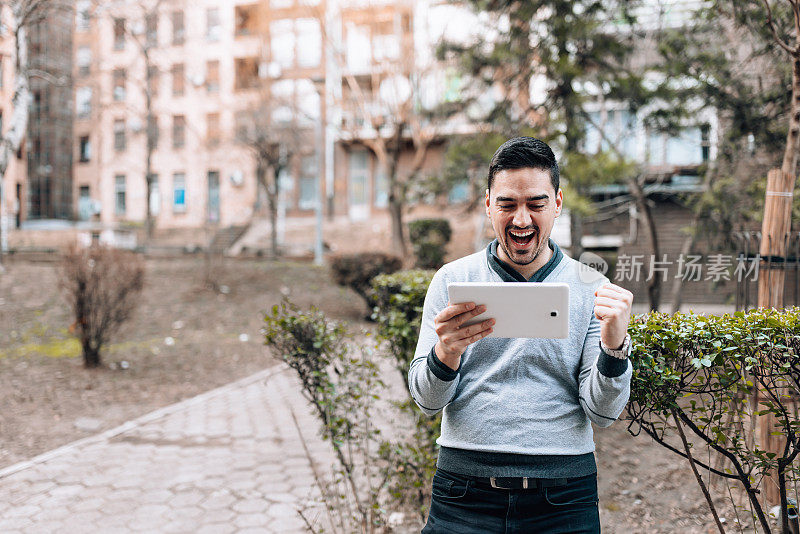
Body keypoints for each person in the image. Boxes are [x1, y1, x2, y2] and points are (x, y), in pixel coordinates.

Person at [409, 136, 633, 533]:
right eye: (507, 204)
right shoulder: (452, 281)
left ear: (558, 203)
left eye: (536, 203)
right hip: (463, 492)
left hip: (564, 496)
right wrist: (446, 352)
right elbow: (426, 403)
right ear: (488, 204)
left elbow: (603, 412)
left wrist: (614, 348)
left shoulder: (591, 287)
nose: (522, 219)